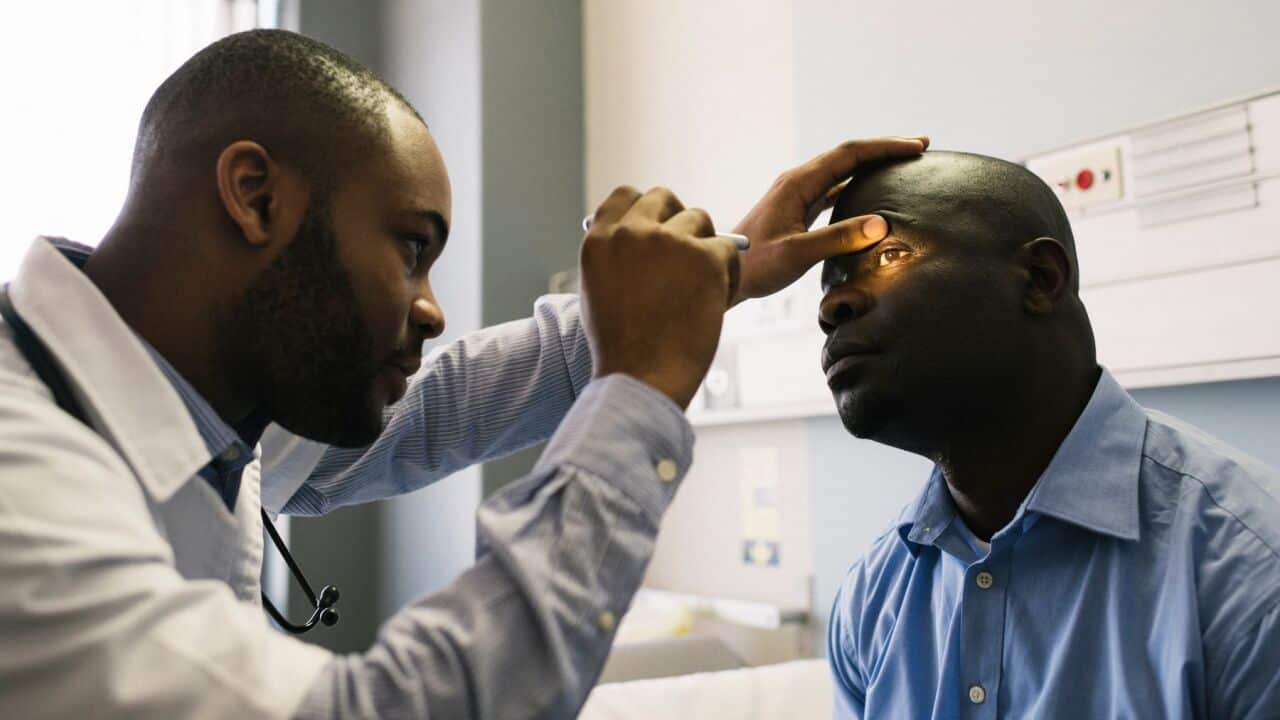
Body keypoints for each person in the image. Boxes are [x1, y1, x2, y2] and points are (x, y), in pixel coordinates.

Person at [0, 29, 926, 719]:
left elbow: (436, 411)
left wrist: (713, 275)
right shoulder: (22, 474)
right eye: (412, 248)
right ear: (256, 197)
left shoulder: (192, 408)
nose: (433, 308)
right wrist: (635, 395)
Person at [820, 151, 1280, 719]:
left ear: (1041, 279)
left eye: (889, 254)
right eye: (830, 284)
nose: (831, 306)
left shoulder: (1252, 573)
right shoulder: (874, 597)